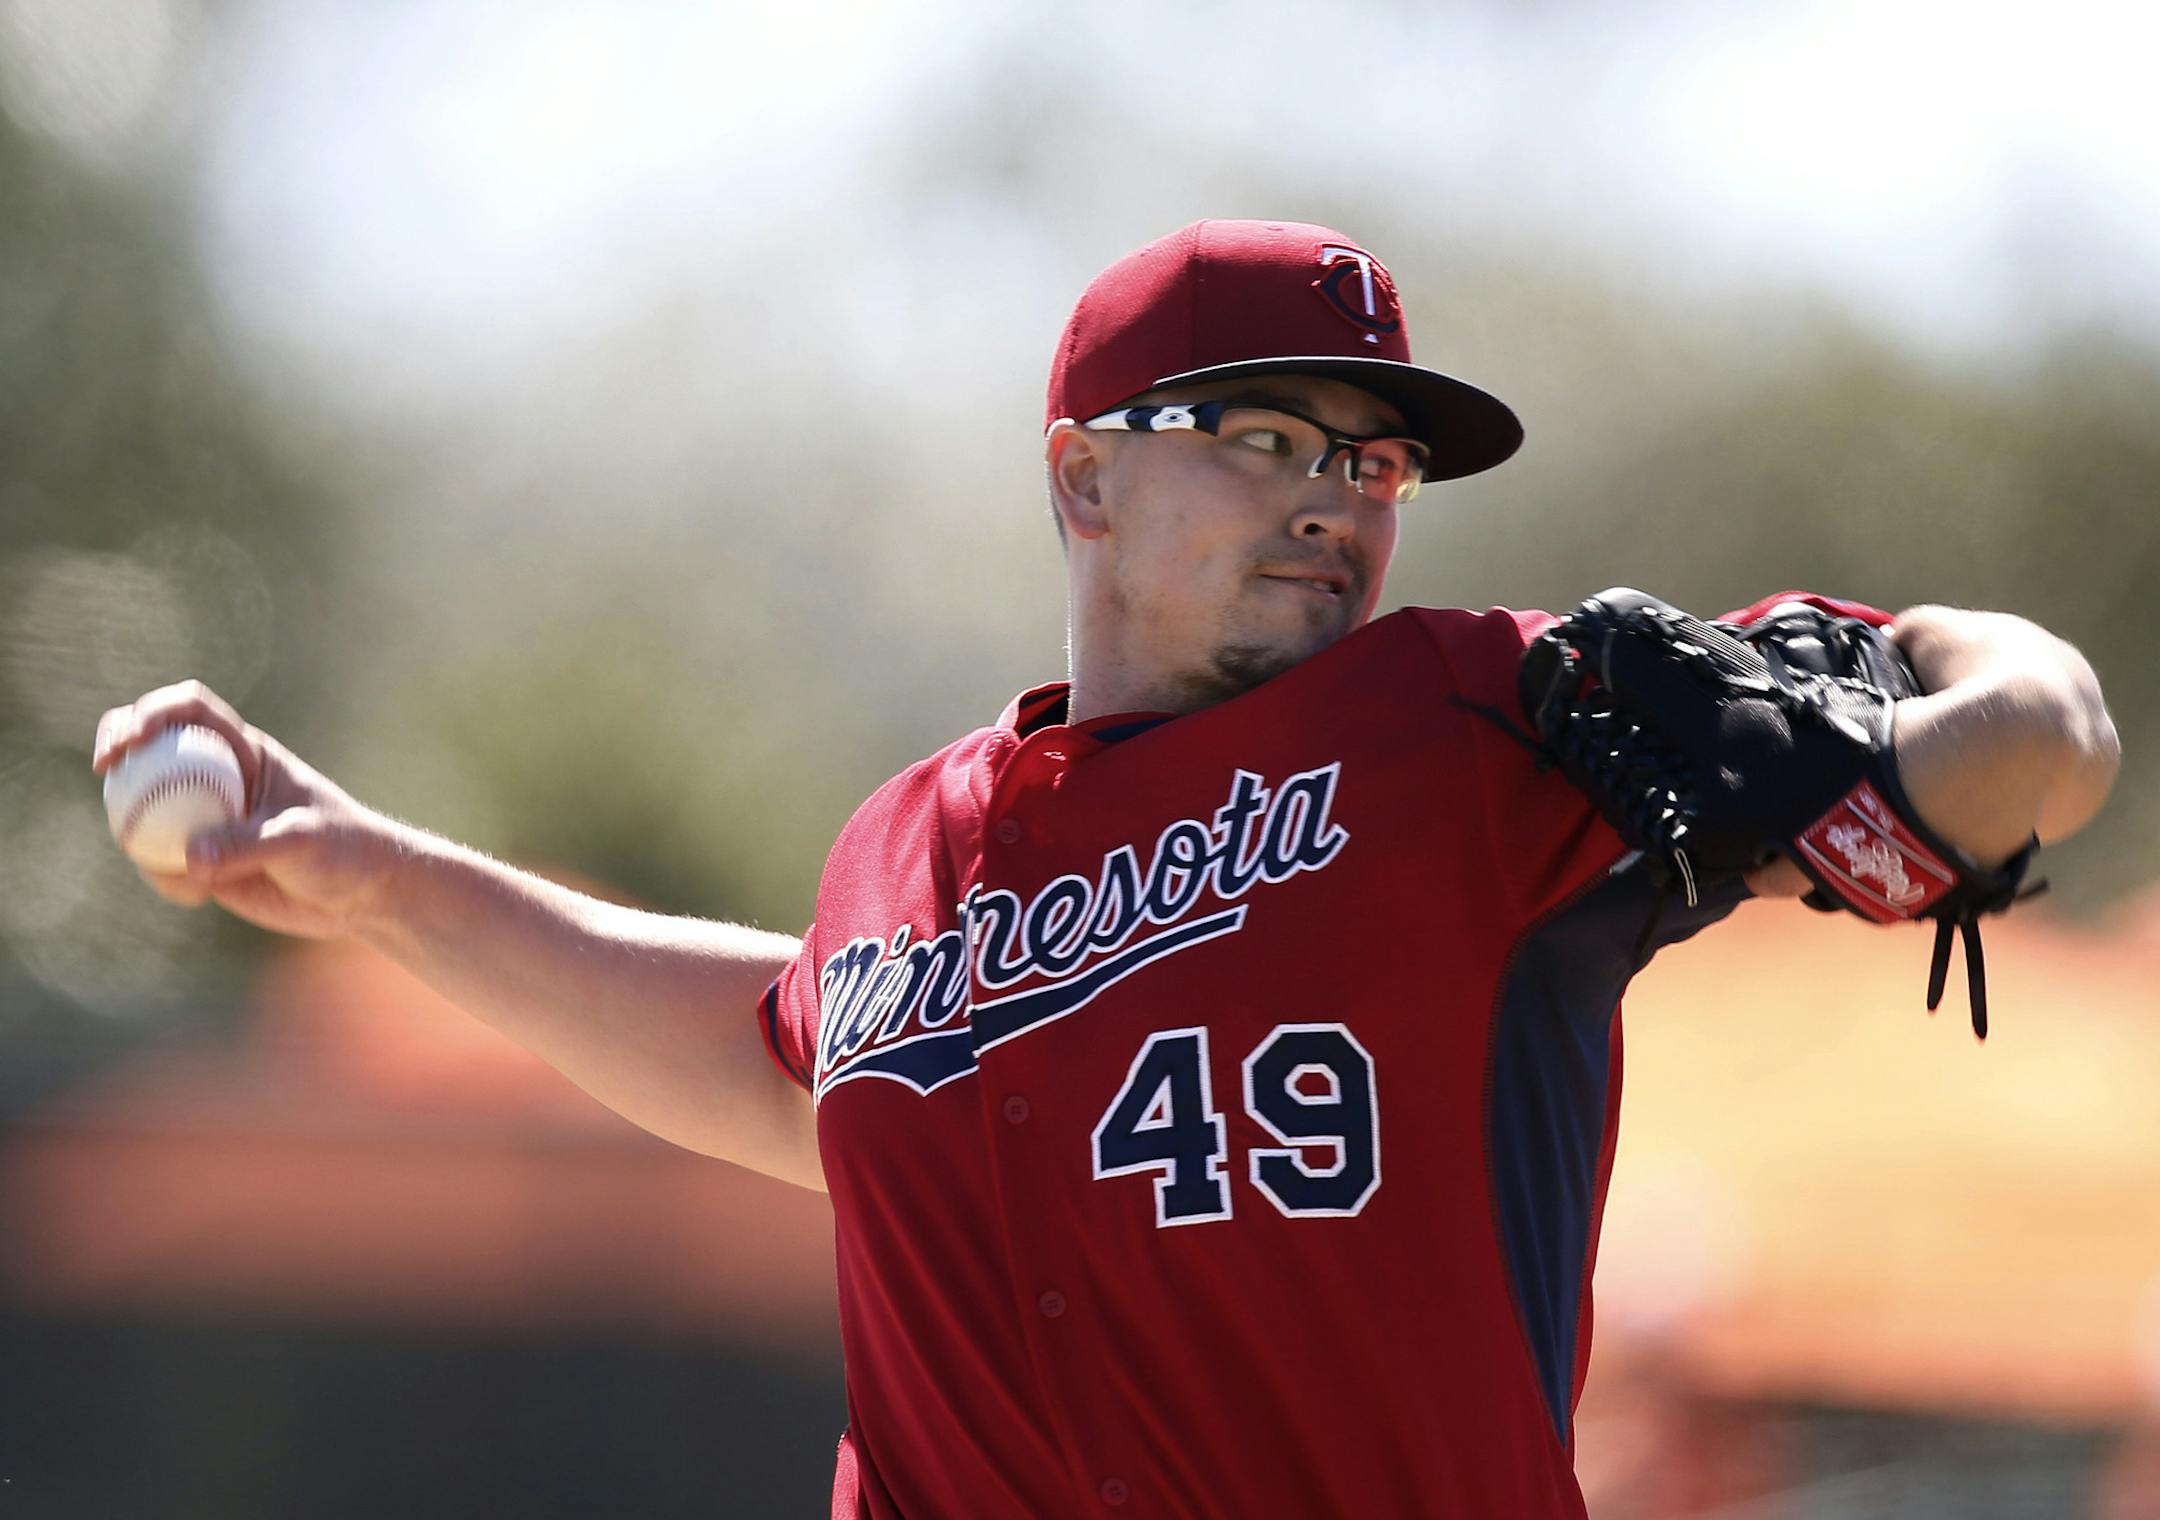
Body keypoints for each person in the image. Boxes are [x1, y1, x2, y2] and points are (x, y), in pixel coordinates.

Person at [95, 219, 2120, 1518]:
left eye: (1375, 459)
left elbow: (2041, 757)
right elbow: (787, 1054)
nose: (1337, 497)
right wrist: (372, 877)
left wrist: (1960, 677)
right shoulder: (909, 843)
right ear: (1082, 469)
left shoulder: (1480, 730)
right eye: (1266, 431)